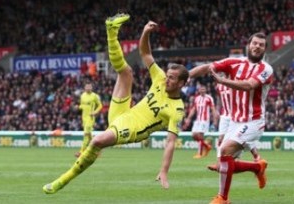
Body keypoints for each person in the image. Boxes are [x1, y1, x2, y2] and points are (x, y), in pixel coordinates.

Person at [42, 14, 189, 194]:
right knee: (126, 72)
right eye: (168, 76)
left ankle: (62, 181)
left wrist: (164, 171)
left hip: (132, 129)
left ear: (181, 84)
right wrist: (145, 32)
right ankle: (111, 31)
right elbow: (145, 53)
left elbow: (170, 143)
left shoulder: (177, 110)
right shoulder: (160, 78)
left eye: (172, 78)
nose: (167, 79)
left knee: (97, 141)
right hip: (123, 113)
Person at [189, 32, 273, 204]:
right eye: (255, 43)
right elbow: (208, 67)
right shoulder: (235, 62)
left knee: (225, 150)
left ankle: (223, 198)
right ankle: (257, 167)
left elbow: (249, 85)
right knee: (224, 165)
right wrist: (185, 77)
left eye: (261, 45)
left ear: (264, 49)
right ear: (248, 45)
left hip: (253, 121)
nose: (257, 46)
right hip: (235, 121)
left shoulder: (266, 69)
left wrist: (222, 80)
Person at [207, 82, 262, 171]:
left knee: (242, 139)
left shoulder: (234, 82)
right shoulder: (218, 85)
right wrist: (217, 109)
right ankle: (219, 163)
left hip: (236, 114)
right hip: (225, 115)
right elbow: (219, 99)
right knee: (221, 139)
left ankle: (257, 157)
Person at [183, 84, 217, 158]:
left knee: (200, 135)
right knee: (194, 135)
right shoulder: (197, 98)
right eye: (201, 89)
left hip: (205, 120)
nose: (202, 90)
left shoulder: (209, 98)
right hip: (198, 120)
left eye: (203, 89)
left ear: (206, 90)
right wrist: (188, 118)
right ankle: (207, 146)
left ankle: (199, 154)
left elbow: (213, 109)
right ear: (199, 90)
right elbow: (194, 109)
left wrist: (215, 119)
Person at [74, 82, 103, 157]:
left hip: (90, 118)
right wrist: (78, 107)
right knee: (89, 135)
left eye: (89, 87)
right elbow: (82, 105)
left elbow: (100, 106)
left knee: (86, 134)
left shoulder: (94, 96)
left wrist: (95, 112)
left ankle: (81, 151)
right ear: (84, 88)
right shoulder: (82, 95)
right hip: (84, 117)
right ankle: (97, 150)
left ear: (91, 88)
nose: (88, 88)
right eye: (87, 87)